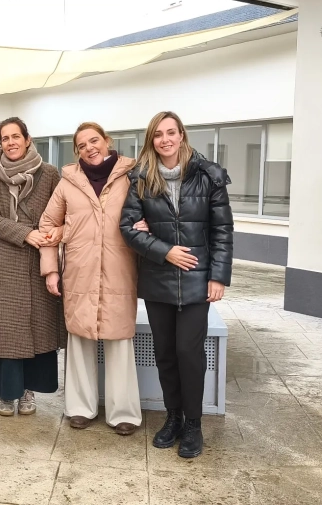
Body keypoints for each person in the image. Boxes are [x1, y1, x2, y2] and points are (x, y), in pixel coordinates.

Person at [119, 110, 233, 459]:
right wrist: (165, 250)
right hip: (158, 280)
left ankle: (194, 424)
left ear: (181, 135)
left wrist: (218, 276)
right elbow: (127, 228)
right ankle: (173, 418)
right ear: (151, 140)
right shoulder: (141, 178)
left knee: (188, 351)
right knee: (166, 352)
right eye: (158, 134)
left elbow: (222, 230)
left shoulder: (208, 175)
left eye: (171, 132)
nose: (165, 139)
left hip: (198, 279)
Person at [39, 122, 141, 436]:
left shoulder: (131, 176)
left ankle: (124, 413)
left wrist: (149, 225)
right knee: (80, 339)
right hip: (79, 272)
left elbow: (149, 211)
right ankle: (80, 408)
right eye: (82, 145)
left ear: (107, 141)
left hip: (119, 270)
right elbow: (48, 224)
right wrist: (51, 269)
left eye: (94, 141)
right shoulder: (68, 182)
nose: (89, 148)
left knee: (119, 340)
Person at [0, 117, 65, 417]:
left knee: (38, 325)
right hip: (4, 258)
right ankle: (7, 394)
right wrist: (24, 233)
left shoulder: (49, 173)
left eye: (15, 136)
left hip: (41, 256)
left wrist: (53, 233)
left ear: (27, 139)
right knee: (8, 329)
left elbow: (62, 210)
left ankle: (30, 388)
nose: (11, 143)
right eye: (5, 138)